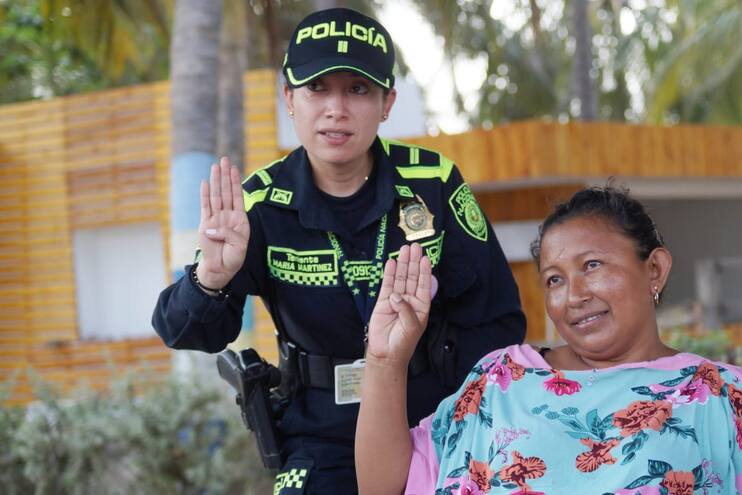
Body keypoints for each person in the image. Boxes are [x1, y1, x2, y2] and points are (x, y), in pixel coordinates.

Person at [152, 7, 525, 494]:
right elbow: (179, 330)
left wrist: (455, 401)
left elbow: (498, 322)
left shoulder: (433, 184)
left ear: (387, 102)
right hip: (320, 433)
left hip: (438, 418)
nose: (336, 109)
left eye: (358, 89)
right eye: (316, 88)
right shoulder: (258, 206)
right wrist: (212, 279)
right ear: (289, 98)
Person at [356, 184, 742, 494]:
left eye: (592, 266)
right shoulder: (500, 380)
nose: (574, 296)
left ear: (654, 268)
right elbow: (384, 486)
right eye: (554, 279)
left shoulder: (718, 395)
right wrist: (384, 360)